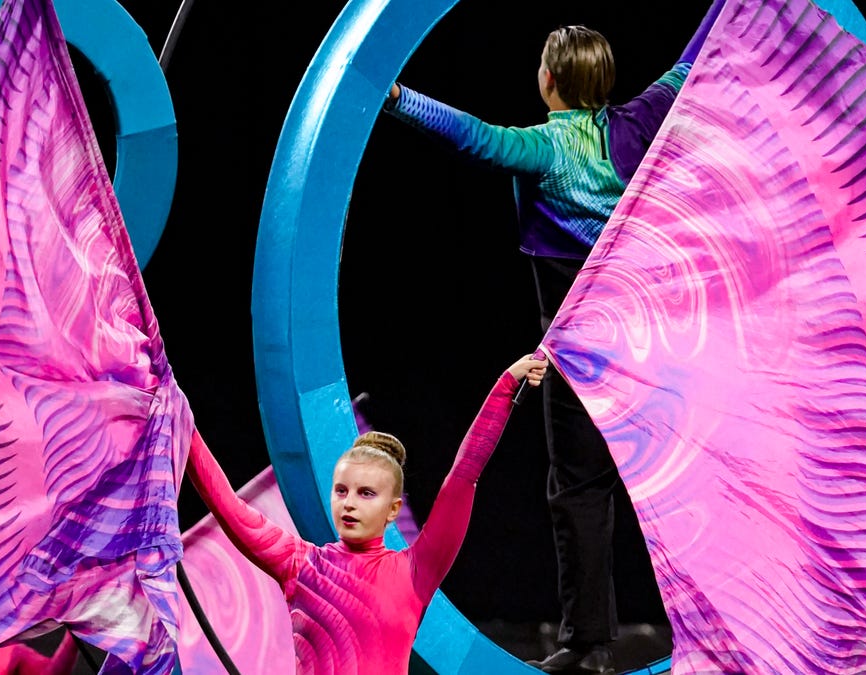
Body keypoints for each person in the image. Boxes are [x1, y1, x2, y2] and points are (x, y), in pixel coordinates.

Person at [380, 3, 725, 672]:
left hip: (585, 354)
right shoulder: (640, 121)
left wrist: (397, 98)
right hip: (657, 340)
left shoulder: (545, 148)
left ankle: (589, 646)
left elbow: (472, 135)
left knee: (579, 489)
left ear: (548, 80)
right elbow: (693, 61)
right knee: (683, 482)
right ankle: (729, 627)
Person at [186, 353, 548, 674]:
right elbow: (226, 504)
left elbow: (464, 475)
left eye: (366, 494)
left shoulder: (415, 571)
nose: (349, 503)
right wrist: (181, 422)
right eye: (341, 491)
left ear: (393, 510)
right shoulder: (301, 565)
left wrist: (504, 388)